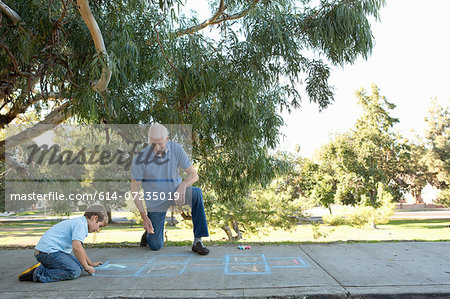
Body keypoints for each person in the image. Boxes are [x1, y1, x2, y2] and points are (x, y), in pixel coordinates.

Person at [131, 123, 210, 255]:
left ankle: (198, 241)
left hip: (176, 193)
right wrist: (144, 217)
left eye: (160, 143)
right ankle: (149, 234)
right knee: (155, 245)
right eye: (153, 144)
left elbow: (194, 175)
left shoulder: (176, 149)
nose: (157, 148)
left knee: (196, 193)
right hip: (156, 201)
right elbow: (134, 190)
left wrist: (183, 186)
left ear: (167, 139)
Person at [17, 205, 108, 282]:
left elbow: (80, 248)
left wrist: (89, 263)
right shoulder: (81, 225)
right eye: (99, 226)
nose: (97, 230)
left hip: (51, 252)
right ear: (94, 218)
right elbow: (76, 247)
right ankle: (38, 273)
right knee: (74, 271)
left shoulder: (81, 222)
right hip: (47, 253)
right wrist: (87, 267)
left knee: (80, 266)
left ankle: (46, 266)